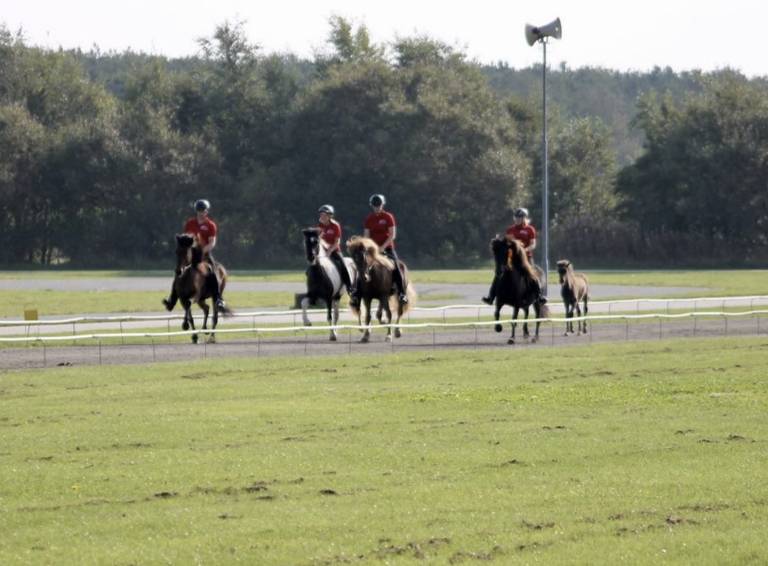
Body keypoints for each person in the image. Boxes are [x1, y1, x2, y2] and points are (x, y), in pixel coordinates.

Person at [163, 199, 227, 312]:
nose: (201, 213)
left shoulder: (211, 225)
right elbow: (185, 239)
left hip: (204, 253)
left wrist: (202, 250)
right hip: (190, 253)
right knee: (179, 272)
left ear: (207, 211)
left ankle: (218, 300)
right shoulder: (190, 223)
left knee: (212, 273)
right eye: (199, 210)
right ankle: (172, 301)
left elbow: (212, 242)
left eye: (203, 211)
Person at [482, 207, 547, 305]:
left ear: (524, 218)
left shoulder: (530, 229)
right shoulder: (510, 229)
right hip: (512, 258)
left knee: (532, 275)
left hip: (526, 257)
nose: (517, 219)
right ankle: (491, 297)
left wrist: (525, 250)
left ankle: (539, 297)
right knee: (499, 273)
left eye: (519, 217)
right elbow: (508, 244)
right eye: (516, 217)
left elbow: (533, 244)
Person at [362, 194, 408, 305]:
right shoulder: (369, 219)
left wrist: (383, 247)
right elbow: (367, 236)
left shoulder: (388, 217)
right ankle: (357, 292)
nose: (376, 207)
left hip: (387, 248)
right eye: (374, 205)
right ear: (371, 205)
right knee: (361, 264)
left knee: (396, 266)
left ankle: (402, 293)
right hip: (373, 249)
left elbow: (392, 235)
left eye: (378, 205)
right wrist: (370, 248)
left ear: (382, 205)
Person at [316, 204, 355, 301]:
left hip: (334, 250)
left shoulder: (335, 226)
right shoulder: (318, 227)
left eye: (325, 215)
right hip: (322, 252)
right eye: (321, 215)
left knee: (343, 265)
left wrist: (329, 251)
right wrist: (323, 251)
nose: (323, 217)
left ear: (330, 216)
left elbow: (336, 242)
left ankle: (350, 287)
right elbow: (318, 240)